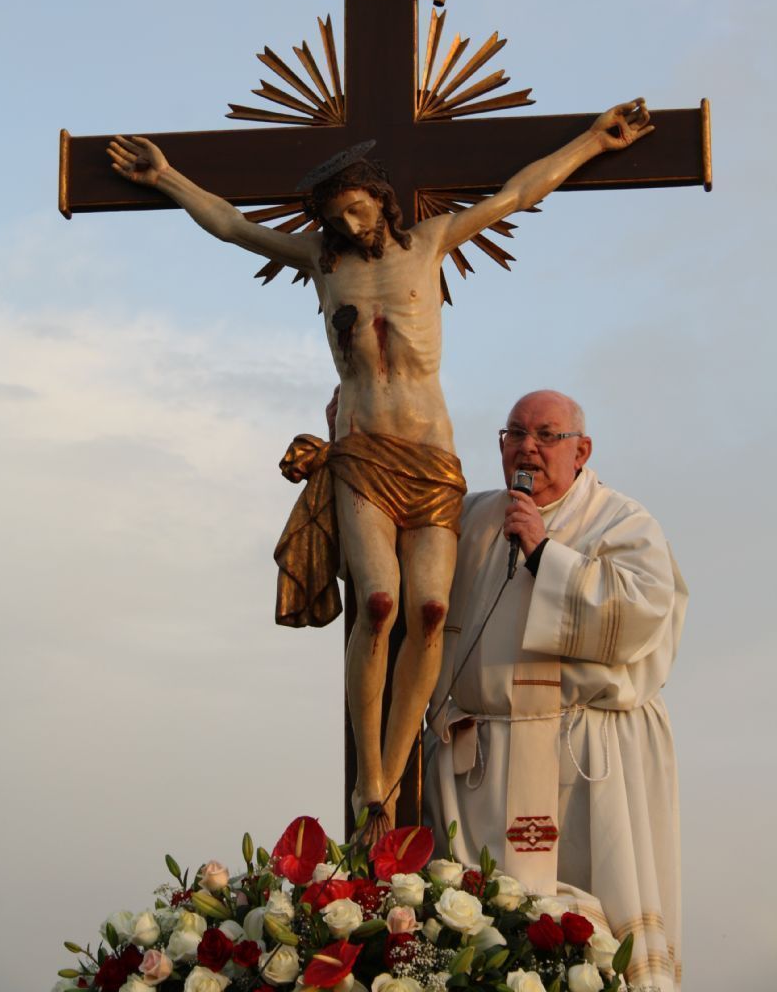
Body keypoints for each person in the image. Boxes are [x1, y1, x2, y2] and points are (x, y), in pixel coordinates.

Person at [107, 103, 654, 838]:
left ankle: (392, 774)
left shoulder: (427, 244)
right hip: (363, 454)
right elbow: (236, 226)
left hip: (430, 459)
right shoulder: (321, 261)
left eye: (361, 210)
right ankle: (372, 780)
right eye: (339, 217)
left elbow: (515, 195)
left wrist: (593, 140)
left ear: (382, 202)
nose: (353, 226)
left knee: (429, 610)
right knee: (379, 605)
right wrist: (168, 176)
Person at [424, 390, 686, 992]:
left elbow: (641, 614)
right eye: (515, 433)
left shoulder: (621, 520)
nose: (528, 448)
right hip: (475, 769)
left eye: (546, 435)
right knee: (468, 943)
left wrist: (545, 554)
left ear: (581, 450)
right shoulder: (472, 518)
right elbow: (404, 563)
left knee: (586, 944)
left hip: (580, 760)